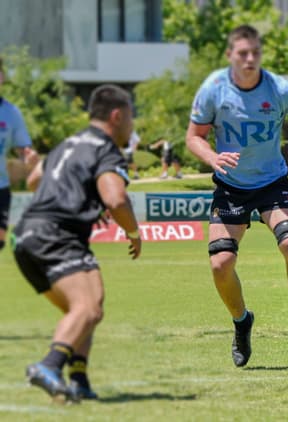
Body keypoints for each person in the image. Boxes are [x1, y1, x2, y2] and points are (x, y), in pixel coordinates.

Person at [186, 24, 288, 367]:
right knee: (221, 264)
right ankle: (241, 323)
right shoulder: (213, 89)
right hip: (230, 186)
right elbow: (194, 137)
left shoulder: (281, 89)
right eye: (242, 53)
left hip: (272, 183)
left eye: (255, 53)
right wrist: (212, 157)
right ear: (230, 56)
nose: (250, 59)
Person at [12, 84, 141, 403]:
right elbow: (116, 199)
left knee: (88, 304)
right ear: (117, 115)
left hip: (27, 234)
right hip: (57, 234)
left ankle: (79, 379)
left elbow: (33, 180)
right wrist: (135, 233)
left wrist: (77, 197)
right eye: (130, 118)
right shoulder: (106, 149)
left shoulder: (67, 143)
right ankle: (48, 366)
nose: (131, 125)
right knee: (87, 307)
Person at [0, 56, 38, 252]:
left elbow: (22, 147)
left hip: (1, 187)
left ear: (2, 77)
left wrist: (28, 156)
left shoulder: (11, 113)